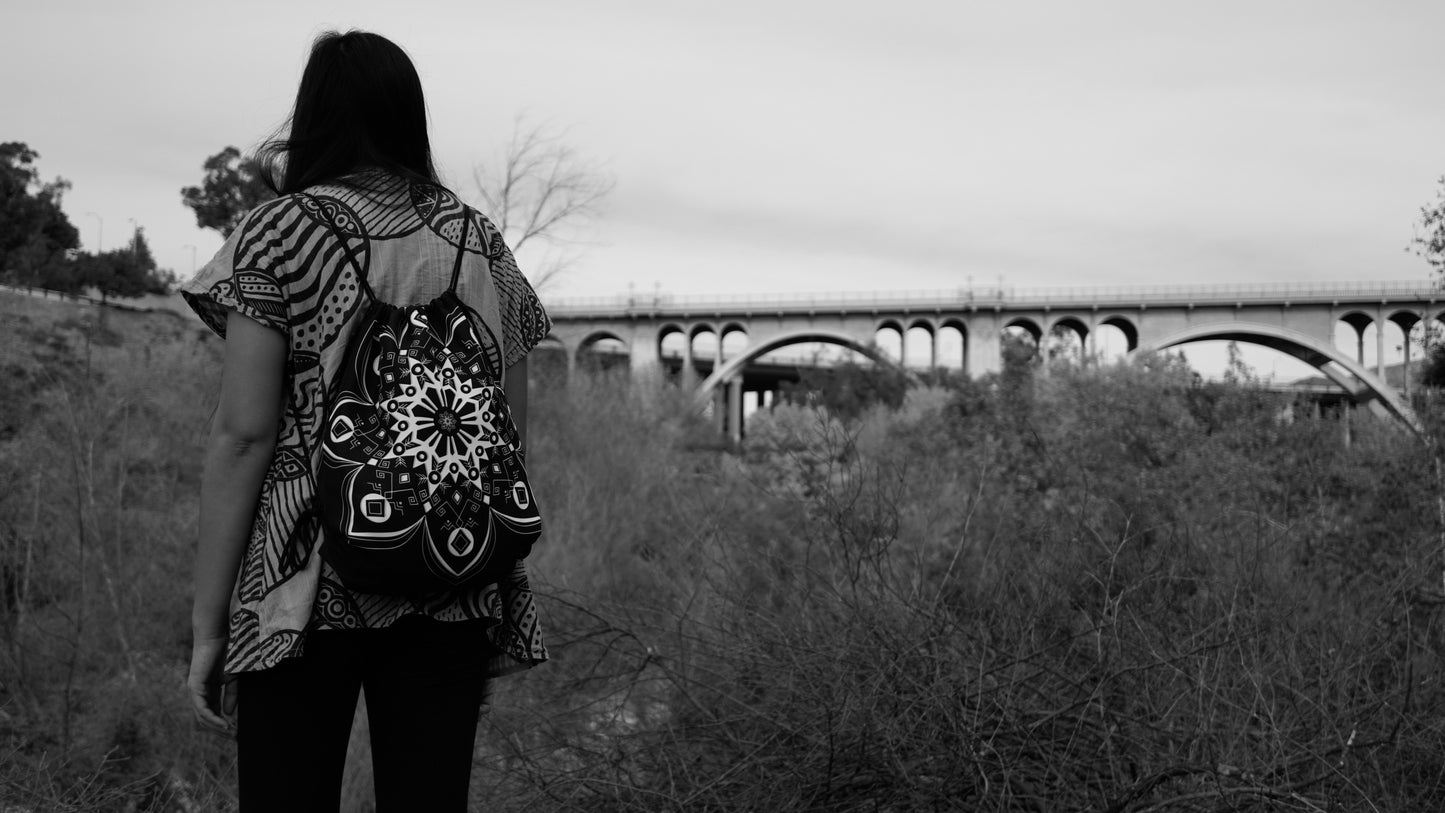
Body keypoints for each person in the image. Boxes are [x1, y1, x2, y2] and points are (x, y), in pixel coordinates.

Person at [179, 30, 551, 811]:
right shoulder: (478, 239)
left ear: (313, 116)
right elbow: (504, 438)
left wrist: (209, 623)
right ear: (407, 116)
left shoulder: (278, 232)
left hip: (296, 587)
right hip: (451, 574)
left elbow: (243, 434)